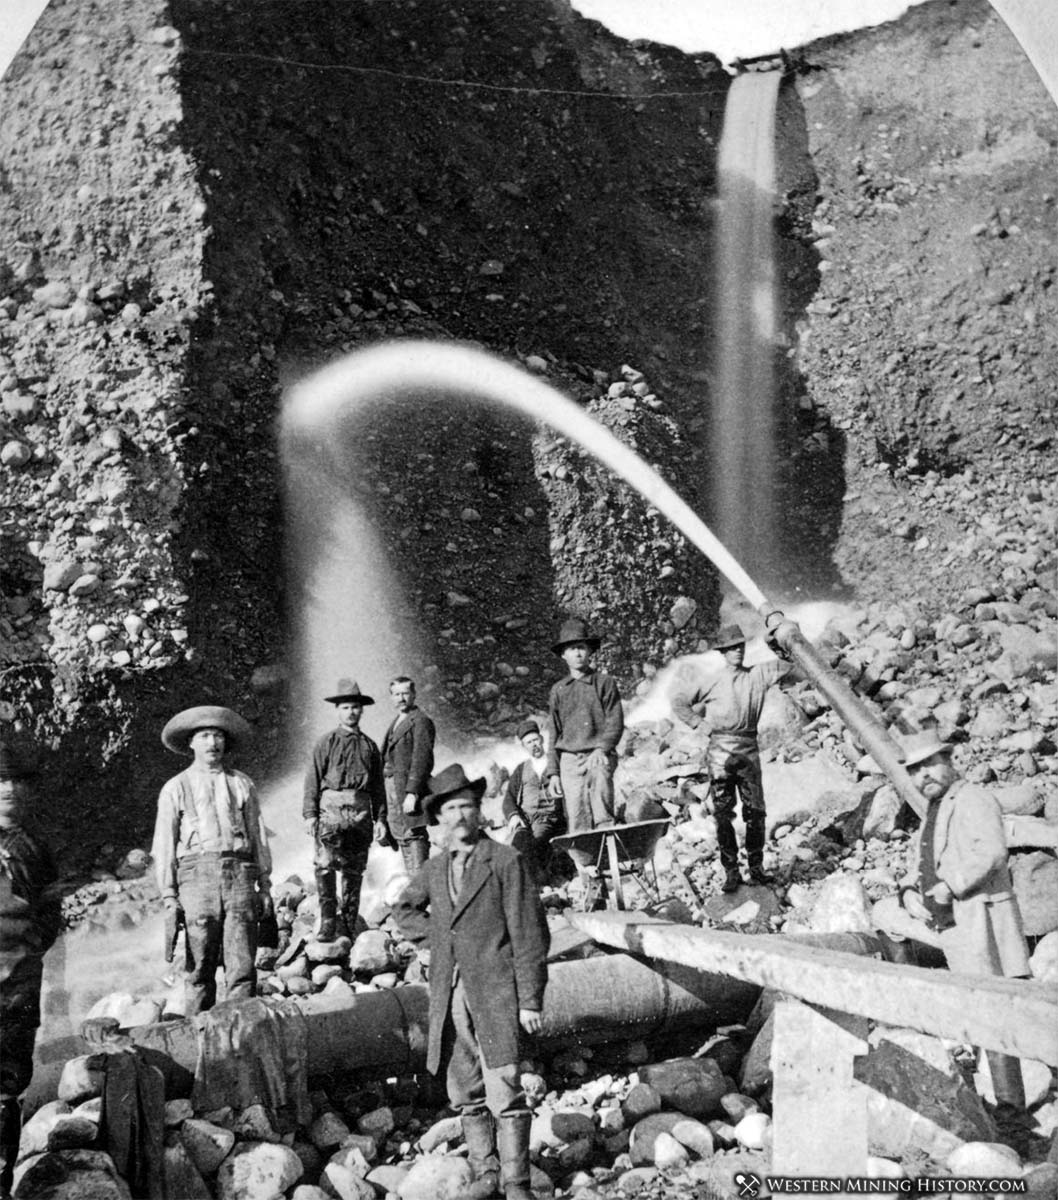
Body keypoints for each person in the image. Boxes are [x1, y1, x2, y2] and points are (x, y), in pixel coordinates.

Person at [393, 764, 549, 1200]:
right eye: (451, 808)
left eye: (468, 805)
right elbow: (404, 910)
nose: (460, 814)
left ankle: (517, 1186)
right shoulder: (436, 867)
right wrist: (441, 939)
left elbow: (530, 932)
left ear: (479, 810)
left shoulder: (505, 861)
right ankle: (486, 1175)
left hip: (496, 989)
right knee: (464, 1086)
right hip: (450, 992)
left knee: (505, 1084)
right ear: (438, 818)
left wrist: (530, 998)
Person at [893, 730, 1031, 1112]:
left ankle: (1012, 1113)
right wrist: (907, 891)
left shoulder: (973, 798)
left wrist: (948, 886)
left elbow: (992, 853)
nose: (924, 776)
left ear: (948, 760)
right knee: (980, 1011)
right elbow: (919, 861)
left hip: (982, 922)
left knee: (995, 1014)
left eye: (929, 765)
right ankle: (987, 1094)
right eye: (915, 771)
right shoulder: (934, 808)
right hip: (954, 927)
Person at [152, 705, 273, 1014]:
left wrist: (265, 884)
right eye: (204, 736)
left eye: (218, 736)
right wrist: (168, 895)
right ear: (191, 743)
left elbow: (257, 836)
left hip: (240, 875)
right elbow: (164, 846)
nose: (212, 743)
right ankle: (198, 1035)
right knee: (199, 963)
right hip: (196, 878)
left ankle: (241, 1037)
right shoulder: (175, 788)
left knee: (242, 964)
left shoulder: (242, 784)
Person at [672, 624, 791, 892]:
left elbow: (788, 664)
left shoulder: (758, 674)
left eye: (740, 646)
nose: (736, 651)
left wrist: (775, 642)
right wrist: (697, 724)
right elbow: (679, 700)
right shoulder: (711, 679)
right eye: (730, 647)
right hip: (720, 751)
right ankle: (731, 872)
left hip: (748, 748)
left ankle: (757, 868)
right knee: (723, 814)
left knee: (756, 813)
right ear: (722, 652)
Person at [0, 735, 61, 1197]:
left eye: (15, 782)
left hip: (18, 983)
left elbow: (50, 914)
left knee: (8, 1086)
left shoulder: (35, 848)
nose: (8, 790)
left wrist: (32, 949)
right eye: (0, 781)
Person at [545, 618, 624, 907]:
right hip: (568, 760)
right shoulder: (559, 690)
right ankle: (592, 886)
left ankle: (612, 876)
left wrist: (603, 747)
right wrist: (553, 772)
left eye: (582, 648)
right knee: (576, 818)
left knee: (602, 813)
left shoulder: (603, 683)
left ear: (590, 652)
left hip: (596, 754)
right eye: (572, 649)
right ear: (563, 655)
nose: (578, 653)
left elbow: (615, 721)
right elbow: (553, 733)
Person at [303, 679, 387, 942]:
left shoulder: (370, 746)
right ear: (337, 710)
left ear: (362, 711)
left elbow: (377, 787)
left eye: (355, 707)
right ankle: (328, 920)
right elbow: (313, 780)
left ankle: (350, 922)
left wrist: (381, 818)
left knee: (354, 868)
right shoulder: (325, 743)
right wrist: (310, 814)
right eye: (346, 707)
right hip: (331, 810)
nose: (351, 712)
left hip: (361, 811)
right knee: (325, 864)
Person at [380, 676, 435, 876]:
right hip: (393, 789)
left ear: (413, 695)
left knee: (415, 834)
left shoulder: (420, 720)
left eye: (405, 693)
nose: (400, 698)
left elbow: (423, 759)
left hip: (408, 790)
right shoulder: (396, 722)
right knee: (402, 835)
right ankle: (415, 889)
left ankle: (421, 886)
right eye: (396, 694)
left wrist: (413, 792)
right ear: (391, 697)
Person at [502, 719, 564, 881]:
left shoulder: (556, 763)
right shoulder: (521, 769)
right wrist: (513, 816)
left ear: (542, 740)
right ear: (524, 746)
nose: (534, 745)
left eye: (536, 740)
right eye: (529, 742)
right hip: (524, 819)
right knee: (514, 847)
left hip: (547, 819)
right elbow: (508, 798)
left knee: (534, 843)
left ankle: (534, 883)